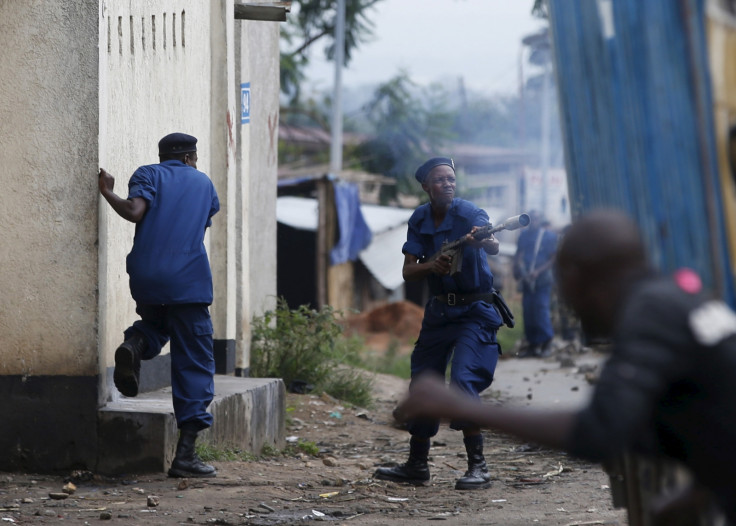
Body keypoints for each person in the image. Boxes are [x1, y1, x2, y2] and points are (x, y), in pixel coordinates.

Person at [394, 208, 736, 523]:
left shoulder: (650, 316)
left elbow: (598, 433)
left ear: (577, 276)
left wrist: (459, 405)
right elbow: (715, 414)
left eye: (563, 285)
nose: (569, 304)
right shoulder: (675, 301)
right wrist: (700, 493)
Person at [373, 157, 505, 490]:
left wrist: (483, 240)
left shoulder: (470, 213)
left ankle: (479, 466)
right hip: (439, 314)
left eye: (451, 178)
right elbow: (408, 270)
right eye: (440, 179)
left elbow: (493, 243)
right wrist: (433, 265)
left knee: (463, 380)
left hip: (475, 311)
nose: (448, 184)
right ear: (426, 187)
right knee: (423, 384)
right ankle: (417, 465)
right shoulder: (419, 217)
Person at [98, 132, 220, 478]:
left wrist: (107, 190)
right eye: (194, 159)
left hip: (147, 277)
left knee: (156, 325)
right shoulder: (203, 184)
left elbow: (135, 212)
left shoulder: (146, 173)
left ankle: (134, 345)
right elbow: (200, 223)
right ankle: (186, 456)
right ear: (188, 158)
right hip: (188, 283)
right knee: (194, 362)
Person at [512, 210, 558, 357]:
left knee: (541, 309)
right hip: (527, 280)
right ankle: (533, 344)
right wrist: (517, 269)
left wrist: (538, 271)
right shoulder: (523, 235)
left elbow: (553, 258)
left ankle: (546, 342)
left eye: (536, 219)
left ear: (540, 220)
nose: (534, 222)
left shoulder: (548, 236)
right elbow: (518, 255)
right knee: (528, 311)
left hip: (542, 280)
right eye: (531, 219)